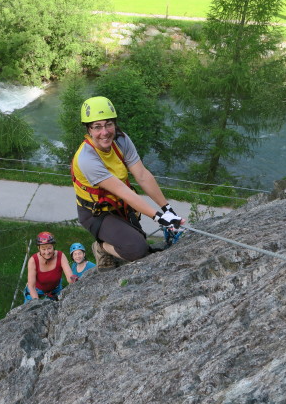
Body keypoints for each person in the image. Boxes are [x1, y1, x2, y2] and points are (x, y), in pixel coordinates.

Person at [71, 96, 186, 270]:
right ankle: (101, 248)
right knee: (137, 249)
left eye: (109, 124)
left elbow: (142, 175)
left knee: (140, 242)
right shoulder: (87, 158)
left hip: (121, 205)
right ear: (89, 129)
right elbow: (121, 190)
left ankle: (113, 240)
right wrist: (160, 218)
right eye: (97, 127)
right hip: (95, 213)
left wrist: (167, 209)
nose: (105, 132)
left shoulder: (121, 140)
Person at [25, 231, 78, 302]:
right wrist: (36, 303)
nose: (47, 252)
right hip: (36, 291)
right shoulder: (33, 261)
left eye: (49, 248)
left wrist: (74, 279)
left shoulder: (60, 256)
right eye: (43, 249)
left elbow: (69, 277)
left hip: (55, 290)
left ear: (53, 247)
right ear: (39, 249)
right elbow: (31, 286)